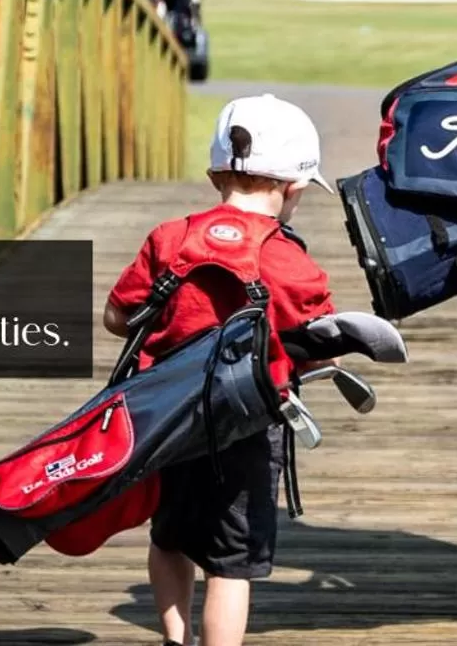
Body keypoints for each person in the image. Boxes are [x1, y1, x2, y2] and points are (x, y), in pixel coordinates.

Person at [103, 94, 337, 646]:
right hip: (246, 427)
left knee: (170, 536)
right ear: (294, 188)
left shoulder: (169, 238)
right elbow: (321, 348)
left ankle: (174, 637)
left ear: (214, 176)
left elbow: (117, 318)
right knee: (231, 563)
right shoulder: (289, 260)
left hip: (166, 419)